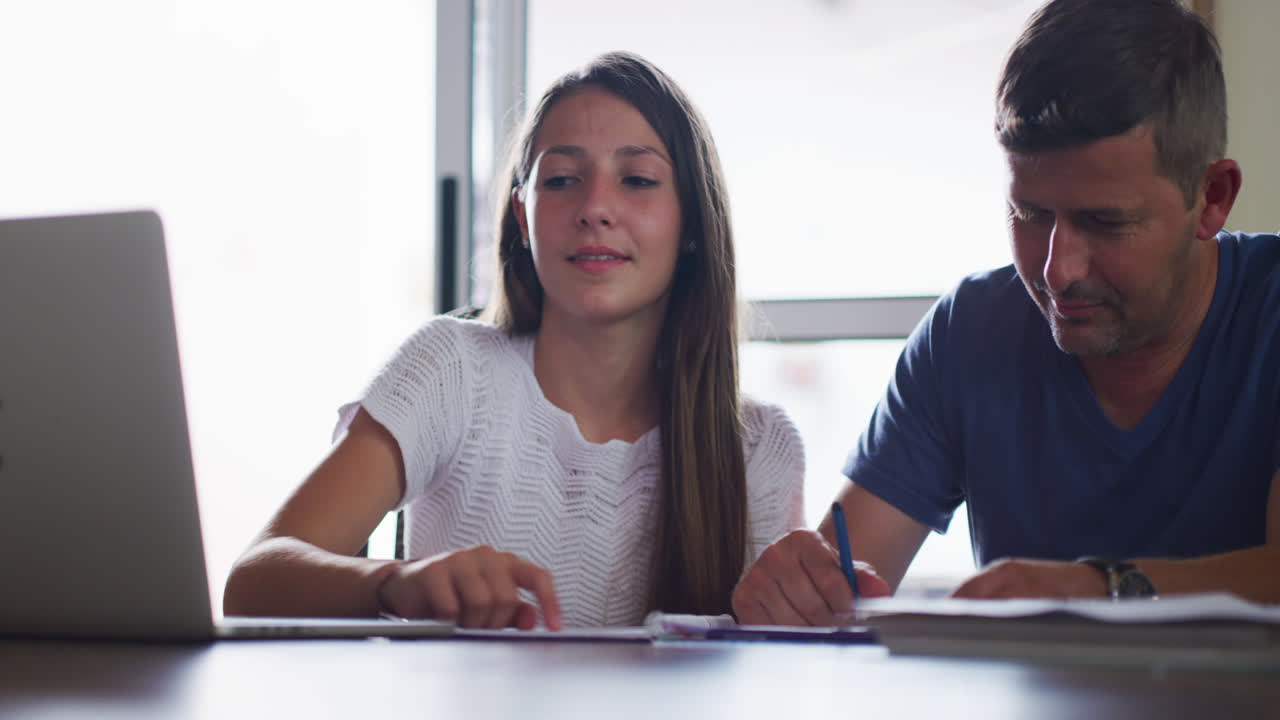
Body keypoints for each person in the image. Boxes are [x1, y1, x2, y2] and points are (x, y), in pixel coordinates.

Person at [733, 0, 1280, 626]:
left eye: (1105, 222)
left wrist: (1095, 591)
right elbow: (839, 586)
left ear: (1212, 198)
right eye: (1030, 214)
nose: (1057, 270)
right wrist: (795, 590)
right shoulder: (968, 333)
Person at [224, 52, 804, 629]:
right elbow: (253, 581)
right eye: (562, 180)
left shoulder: (761, 448)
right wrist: (395, 584)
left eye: (637, 180)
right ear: (523, 219)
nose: (595, 209)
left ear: (693, 223)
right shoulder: (451, 370)